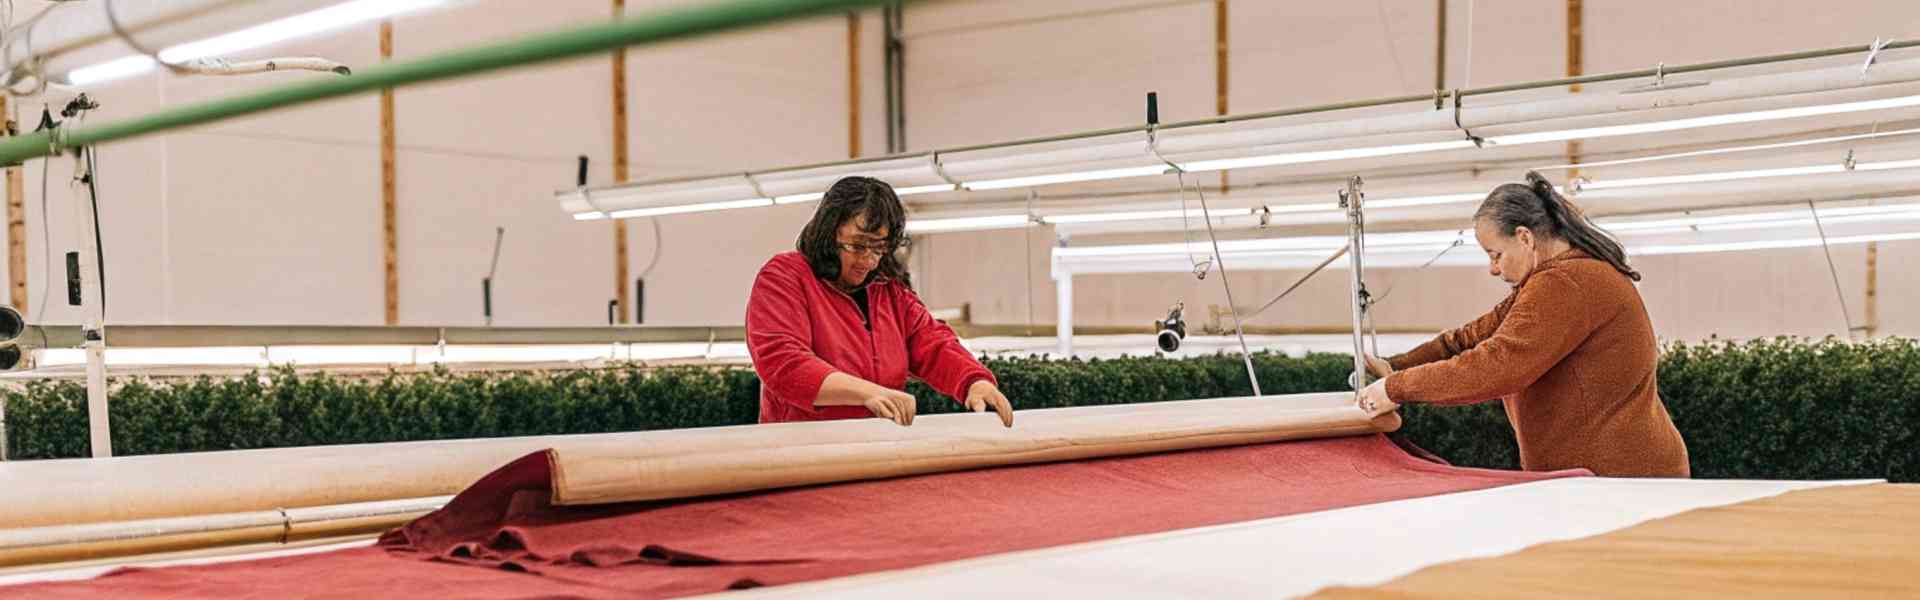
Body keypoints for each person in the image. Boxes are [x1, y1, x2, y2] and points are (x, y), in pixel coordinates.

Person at [1357, 171, 1689, 478]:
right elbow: (1469, 339)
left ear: (1524, 238)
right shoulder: (1557, 279)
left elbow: (1497, 365)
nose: (1493, 269)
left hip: (1619, 477)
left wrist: (1395, 389)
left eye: (1495, 254)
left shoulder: (1565, 283)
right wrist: (1394, 367)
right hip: (1609, 474)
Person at [746, 176, 1014, 427]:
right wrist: (867, 393)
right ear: (828, 234)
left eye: (879, 248)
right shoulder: (785, 277)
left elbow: (931, 342)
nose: (870, 260)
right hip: (802, 453)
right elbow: (783, 363)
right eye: (858, 245)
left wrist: (974, 380)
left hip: (877, 450)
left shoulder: (889, 290)